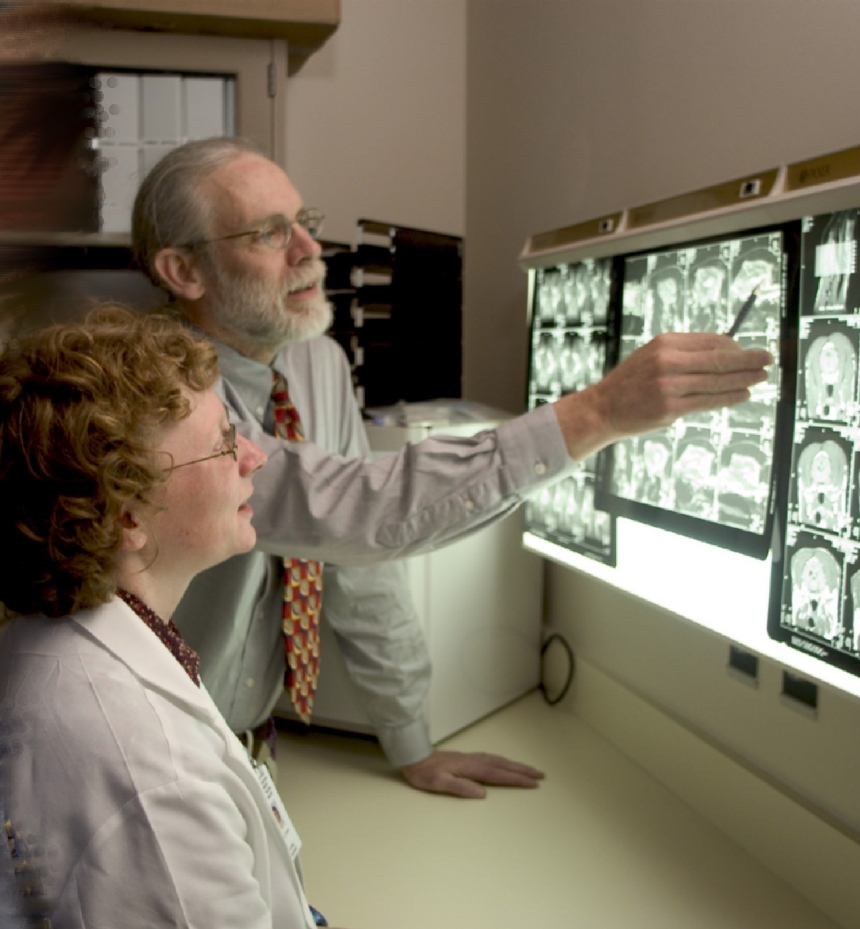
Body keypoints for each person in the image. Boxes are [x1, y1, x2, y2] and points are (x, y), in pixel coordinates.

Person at [131, 137, 772, 796]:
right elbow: (355, 508)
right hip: (156, 764)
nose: (309, 251)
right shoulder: (156, 396)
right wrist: (598, 412)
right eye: (269, 233)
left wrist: (409, 738)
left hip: (253, 751)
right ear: (184, 271)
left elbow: (356, 564)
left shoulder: (314, 361)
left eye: (305, 223)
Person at [0, 307, 323, 929]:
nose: (254, 456)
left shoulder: (60, 633)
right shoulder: (152, 775)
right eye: (224, 442)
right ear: (128, 516)